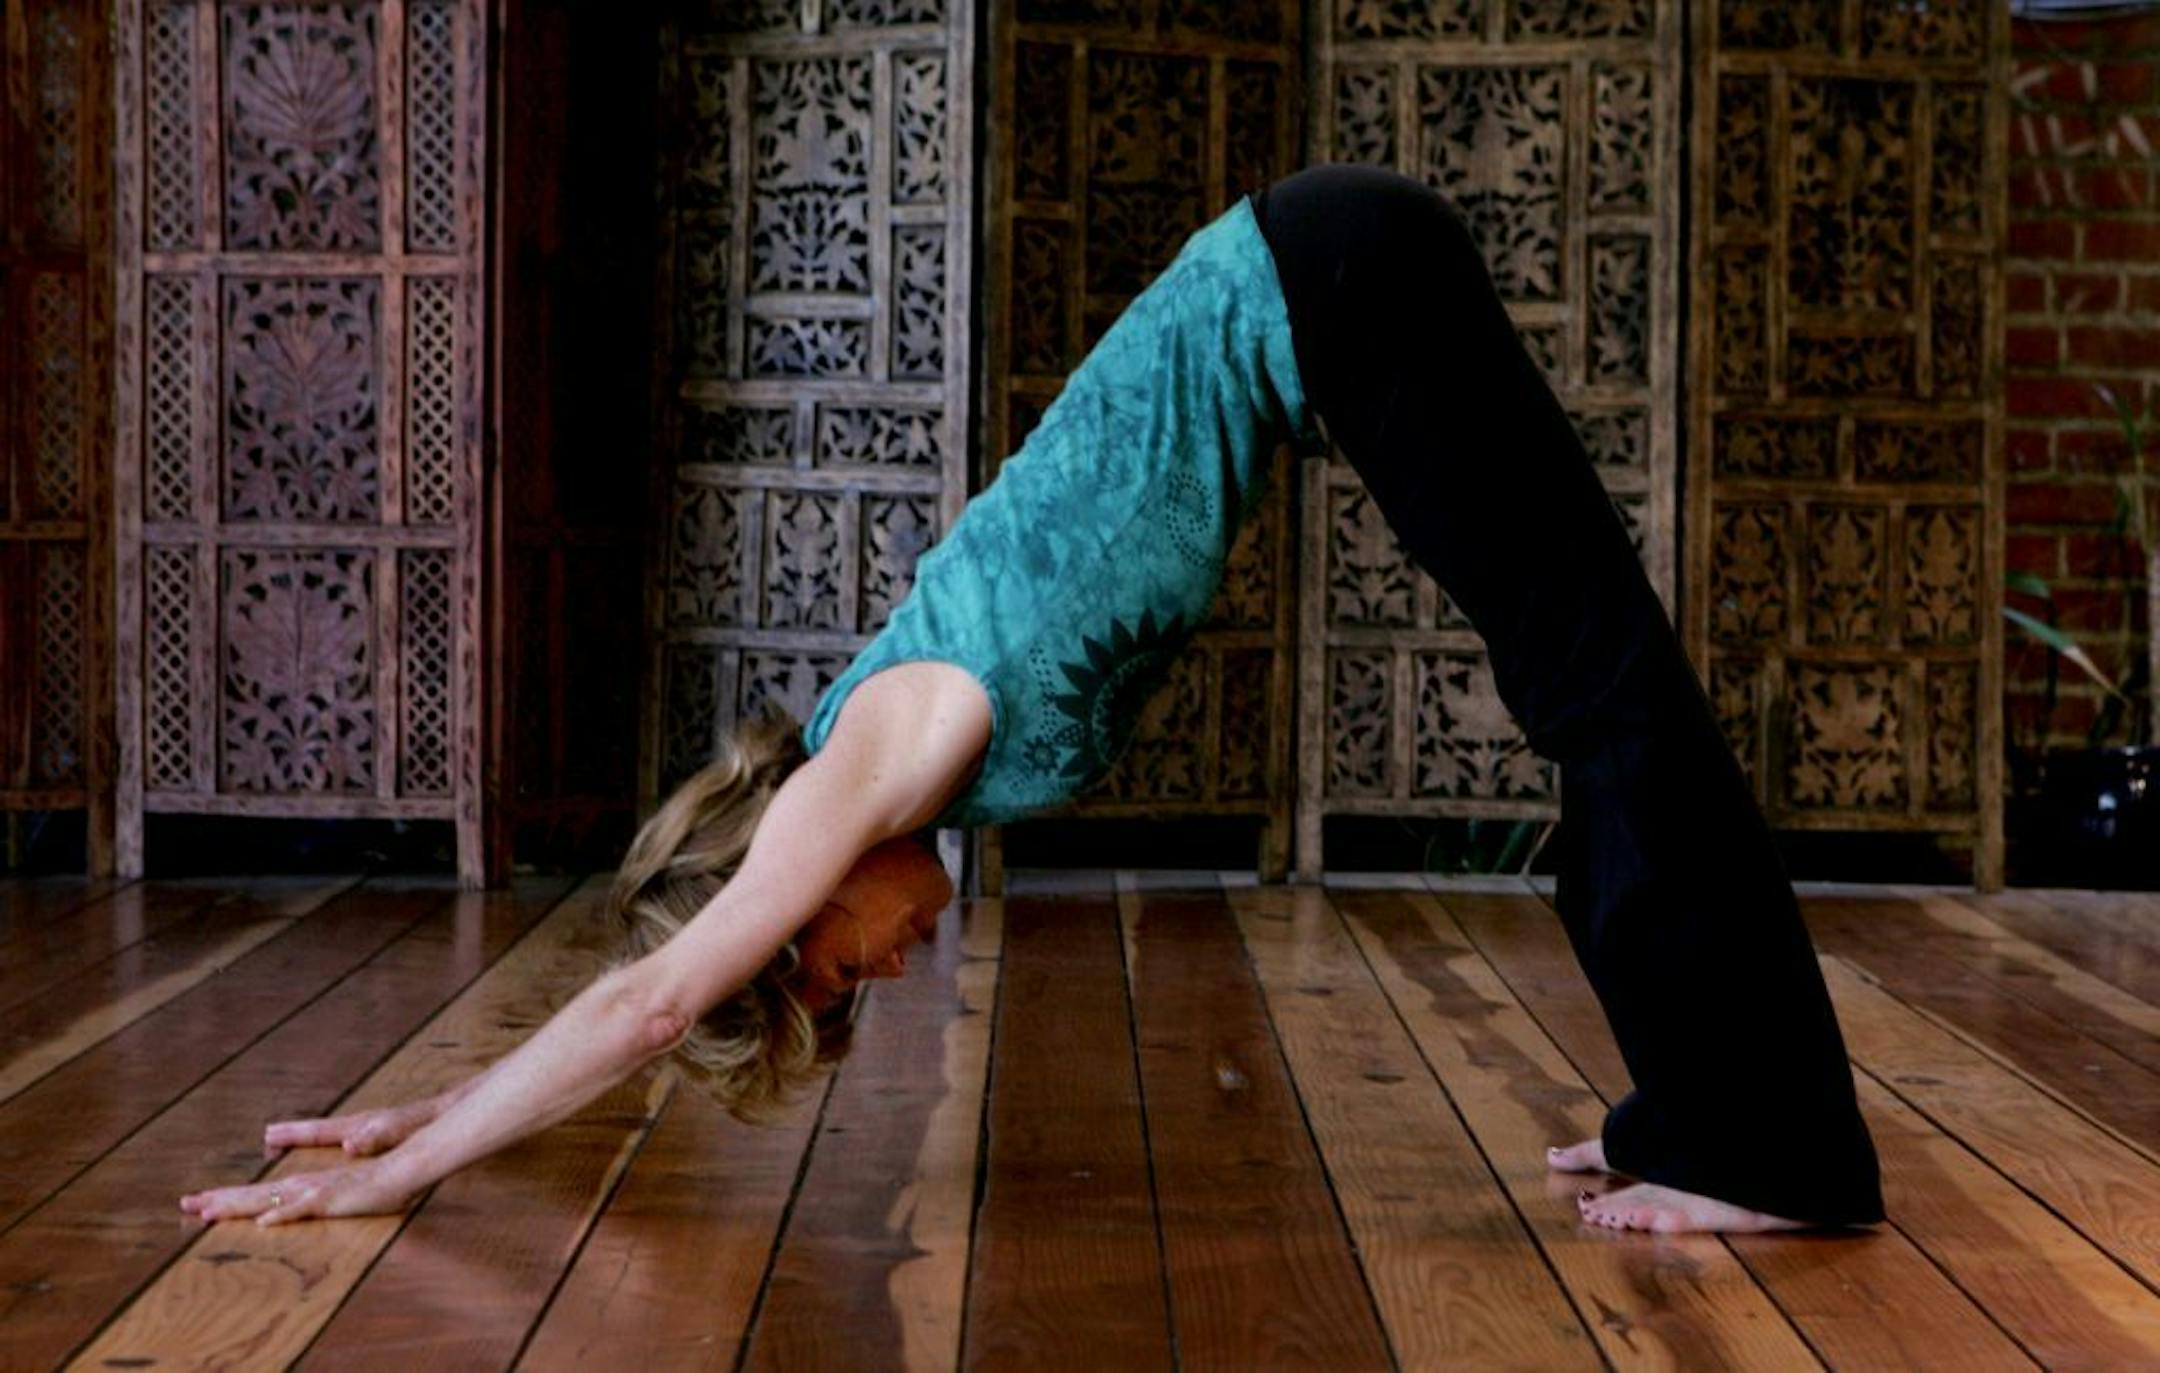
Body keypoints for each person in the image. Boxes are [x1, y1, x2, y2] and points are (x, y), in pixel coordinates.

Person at [179, 164, 1883, 1236]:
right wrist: (425, 1108)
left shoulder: (859, 762)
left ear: (790, 886)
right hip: (1329, 296)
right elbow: (650, 1011)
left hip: (1338, 287)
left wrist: (404, 1164)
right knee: (1584, 694)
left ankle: (1772, 1150)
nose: (885, 970)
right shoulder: (892, 757)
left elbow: (641, 1007)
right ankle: (1698, 1109)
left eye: (833, 966)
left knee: (1606, 690)